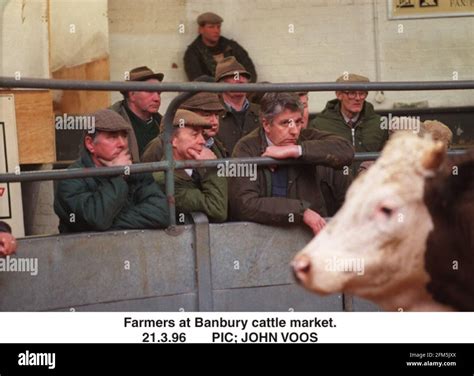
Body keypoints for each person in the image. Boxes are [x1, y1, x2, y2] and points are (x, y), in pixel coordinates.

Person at [229, 92, 354, 234]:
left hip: (309, 238)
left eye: (298, 122)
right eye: (285, 123)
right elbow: (245, 204)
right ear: (266, 124)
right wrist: (302, 212)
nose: (294, 131)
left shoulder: (305, 138)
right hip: (263, 239)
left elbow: (346, 150)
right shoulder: (247, 148)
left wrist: (297, 150)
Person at [54, 109, 169, 232]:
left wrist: (111, 222)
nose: (122, 144)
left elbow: (162, 214)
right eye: (112, 137)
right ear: (90, 144)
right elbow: (97, 219)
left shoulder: (136, 171)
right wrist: (119, 177)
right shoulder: (72, 178)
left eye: (124, 136)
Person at [153, 109, 228, 223]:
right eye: (195, 134)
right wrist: (212, 167)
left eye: (202, 134)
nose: (202, 141)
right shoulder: (164, 179)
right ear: (173, 140)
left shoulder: (197, 168)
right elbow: (217, 210)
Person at [309, 73, 387, 152]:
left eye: (362, 93)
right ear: (339, 95)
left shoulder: (379, 123)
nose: (358, 98)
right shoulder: (319, 125)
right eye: (352, 93)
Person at [141, 92, 227, 162]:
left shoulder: (215, 143)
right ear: (187, 114)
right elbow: (145, 180)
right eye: (207, 115)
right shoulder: (159, 145)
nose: (215, 122)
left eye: (216, 115)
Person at [110, 66, 164, 161]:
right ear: (132, 94)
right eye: (150, 91)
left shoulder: (163, 124)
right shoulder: (112, 123)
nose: (157, 98)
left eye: (159, 93)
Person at [184, 12, 257, 82]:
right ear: (201, 30)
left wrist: (240, 84)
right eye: (211, 27)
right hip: (210, 92)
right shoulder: (193, 52)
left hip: (238, 90)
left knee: (264, 87)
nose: (216, 31)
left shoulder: (231, 46)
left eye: (218, 27)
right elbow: (197, 80)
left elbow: (250, 72)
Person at [215, 56, 260, 154]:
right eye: (232, 76)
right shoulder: (212, 115)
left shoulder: (262, 112)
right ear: (220, 84)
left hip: (259, 168)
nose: (239, 79)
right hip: (224, 168)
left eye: (243, 75)